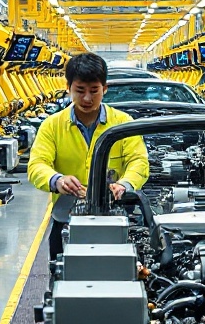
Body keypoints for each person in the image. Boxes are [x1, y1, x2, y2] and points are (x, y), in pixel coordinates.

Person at [28, 52, 150, 258]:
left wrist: (125, 184)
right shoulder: (52, 125)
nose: (87, 98)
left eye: (94, 91)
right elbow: (37, 165)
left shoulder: (123, 122)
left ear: (105, 89)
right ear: (68, 88)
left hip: (115, 214)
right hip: (66, 217)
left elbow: (138, 161)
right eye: (80, 90)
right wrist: (57, 180)